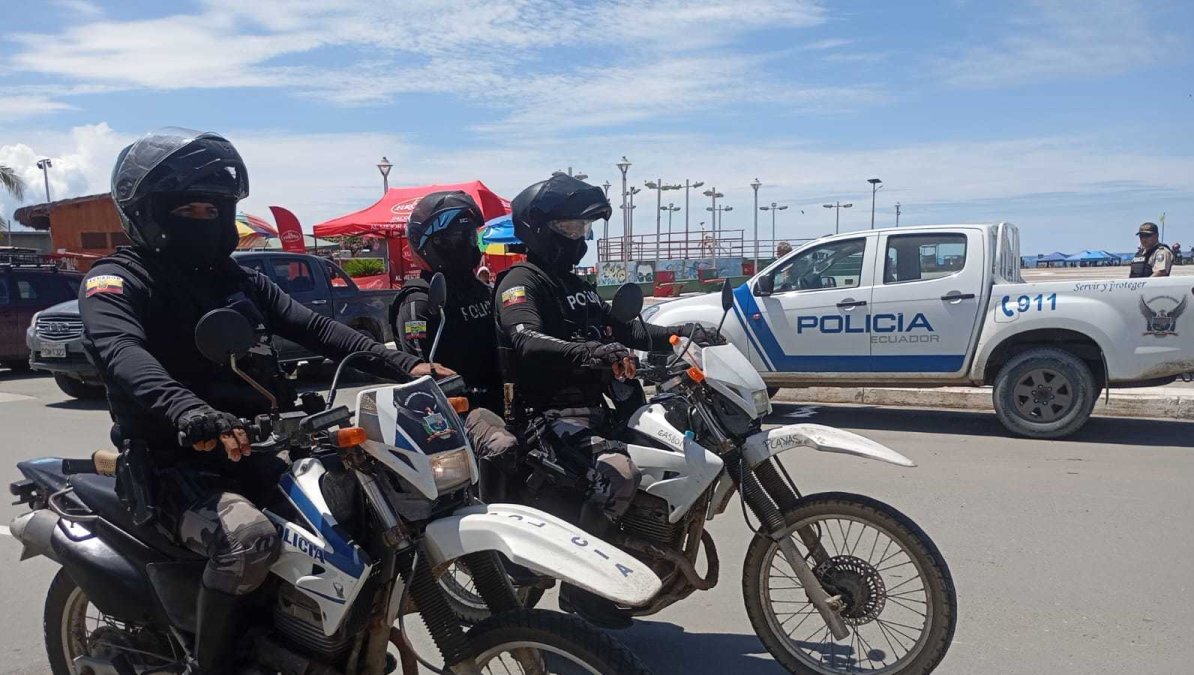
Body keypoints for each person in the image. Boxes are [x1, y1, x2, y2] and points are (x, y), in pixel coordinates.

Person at [80, 127, 449, 674]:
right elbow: (122, 352)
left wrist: (406, 365)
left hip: (257, 451)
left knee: (360, 516)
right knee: (247, 540)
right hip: (176, 467)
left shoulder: (235, 279)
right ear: (148, 212)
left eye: (213, 208)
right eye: (188, 208)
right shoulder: (117, 281)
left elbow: (315, 328)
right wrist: (188, 410)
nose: (203, 218)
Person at [493, 173, 720, 626]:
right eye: (570, 227)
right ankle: (581, 588)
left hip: (594, 411)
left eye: (584, 228)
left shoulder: (575, 286)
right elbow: (525, 338)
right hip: (545, 417)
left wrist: (679, 335)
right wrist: (590, 352)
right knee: (618, 473)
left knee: (667, 447)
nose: (580, 237)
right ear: (540, 229)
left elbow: (625, 329)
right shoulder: (521, 281)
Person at [388, 191, 518, 502]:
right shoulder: (419, 301)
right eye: (456, 238)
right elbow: (420, 371)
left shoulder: (481, 290)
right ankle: (494, 516)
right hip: (460, 411)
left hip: (505, 399)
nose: (468, 245)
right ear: (430, 244)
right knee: (500, 445)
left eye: (470, 236)